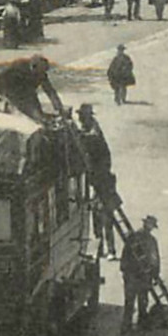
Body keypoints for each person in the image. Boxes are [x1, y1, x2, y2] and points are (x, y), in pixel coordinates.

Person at [74, 104, 119, 258]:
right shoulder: (88, 129)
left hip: (102, 179)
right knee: (97, 219)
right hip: (95, 179)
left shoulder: (94, 130)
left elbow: (91, 140)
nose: (80, 119)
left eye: (81, 116)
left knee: (107, 218)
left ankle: (111, 250)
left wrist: (77, 135)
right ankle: (100, 250)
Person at [120, 215, 161, 333]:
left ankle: (134, 326)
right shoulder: (136, 238)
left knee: (139, 302)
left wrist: (155, 274)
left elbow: (155, 259)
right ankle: (132, 326)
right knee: (132, 302)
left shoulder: (140, 238)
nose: (150, 228)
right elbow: (126, 255)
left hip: (140, 275)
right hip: (135, 274)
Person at [0, 54, 65, 121]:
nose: (41, 75)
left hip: (29, 93)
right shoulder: (18, 66)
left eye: (43, 72)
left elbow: (50, 92)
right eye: (40, 72)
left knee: (38, 115)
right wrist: (0, 94)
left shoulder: (41, 75)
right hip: (13, 90)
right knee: (23, 113)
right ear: (33, 67)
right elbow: (2, 78)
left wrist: (59, 108)